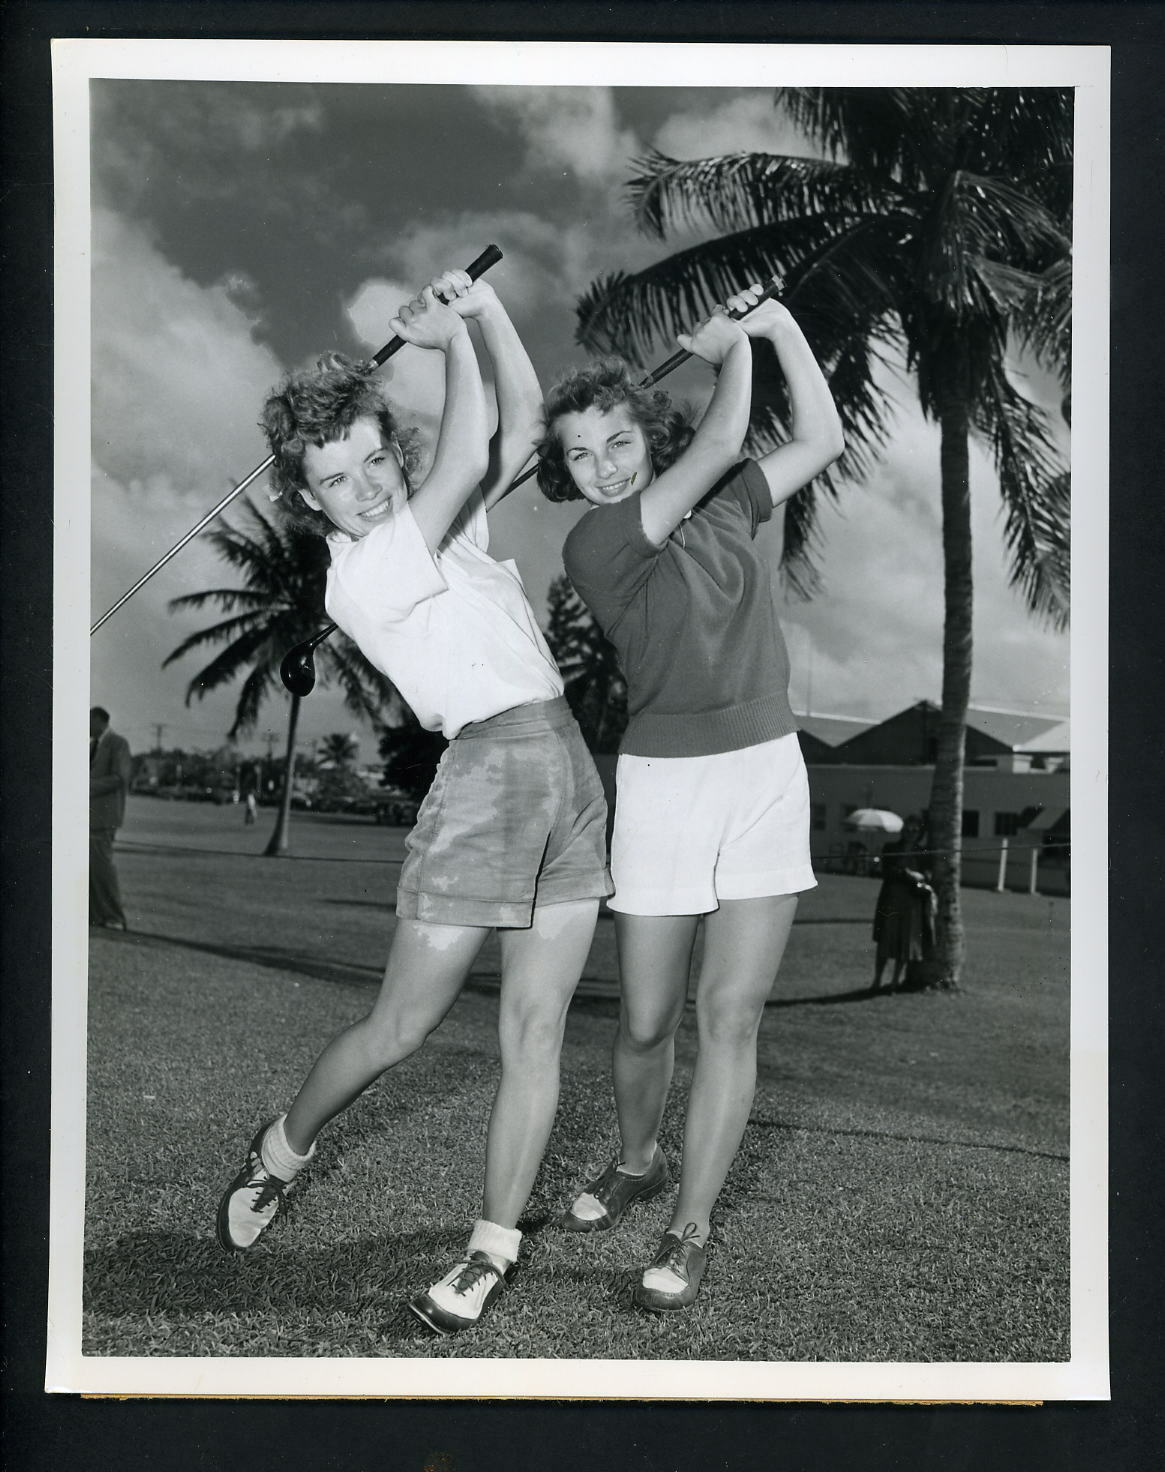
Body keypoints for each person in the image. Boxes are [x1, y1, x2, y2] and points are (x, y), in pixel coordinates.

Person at [215, 269, 611, 1337]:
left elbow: (518, 425)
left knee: (537, 1031)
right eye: (339, 479)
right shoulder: (364, 573)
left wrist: (480, 314)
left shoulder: (450, 534)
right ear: (309, 499)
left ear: (395, 451)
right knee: (398, 1028)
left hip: (569, 767)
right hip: (484, 778)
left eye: (377, 460)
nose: (369, 487)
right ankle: (281, 1150)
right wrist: (447, 342)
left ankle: (488, 1250)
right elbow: (476, 441)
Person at [537, 286, 844, 1312]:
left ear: (642, 429)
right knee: (645, 1020)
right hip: (663, 783)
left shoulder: (731, 499)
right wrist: (731, 351)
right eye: (580, 453)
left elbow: (821, 434)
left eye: (617, 438)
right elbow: (721, 433)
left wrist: (777, 323)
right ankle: (638, 1157)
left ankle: (689, 1223)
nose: (604, 463)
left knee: (730, 1013)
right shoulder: (596, 544)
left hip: (763, 769)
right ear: (567, 473)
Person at [871, 815, 936, 992]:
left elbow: (928, 876)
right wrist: (909, 874)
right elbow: (888, 871)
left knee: (905, 944)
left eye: (915, 830)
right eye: (907, 829)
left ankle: (894, 982)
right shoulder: (891, 848)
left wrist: (916, 876)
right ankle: (877, 980)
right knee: (885, 941)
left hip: (912, 902)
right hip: (891, 899)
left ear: (920, 833)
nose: (910, 833)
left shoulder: (923, 853)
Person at [89, 706, 133, 929]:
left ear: (99, 720)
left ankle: (114, 917)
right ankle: (96, 915)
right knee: (90, 869)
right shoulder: (92, 745)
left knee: (101, 868)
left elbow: (119, 777)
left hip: (104, 818)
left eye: (88, 721)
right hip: (88, 818)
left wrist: (86, 786)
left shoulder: (118, 744)